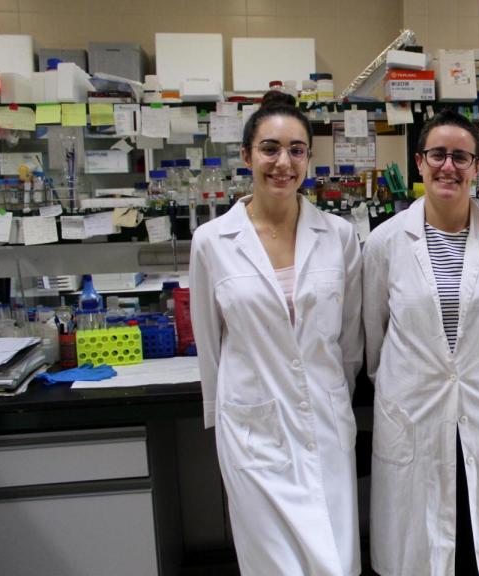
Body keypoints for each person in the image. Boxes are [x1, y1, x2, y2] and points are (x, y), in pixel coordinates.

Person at [189, 90, 363, 576]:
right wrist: (221, 419)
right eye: (269, 148)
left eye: (296, 149)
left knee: (336, 561)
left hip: (325, 427)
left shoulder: (339, 236)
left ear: (308, 157)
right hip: (253, 433)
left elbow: (349, 343)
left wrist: (331, 397)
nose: (283, 162)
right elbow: (210, 344)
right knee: (273, 566)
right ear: (246, 156)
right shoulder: (213, 242)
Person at [363, 109, 479, 576]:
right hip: (414, 415)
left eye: (461, 157)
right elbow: (374, 336)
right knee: (422, 554)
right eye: (438, 155)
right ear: (419, 162)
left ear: (477, 167)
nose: (449, 167)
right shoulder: (384, 244)